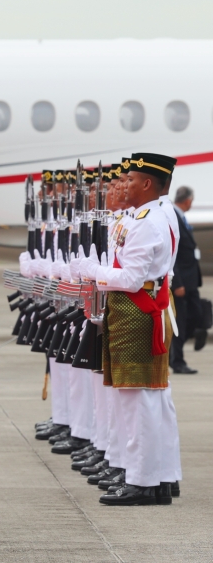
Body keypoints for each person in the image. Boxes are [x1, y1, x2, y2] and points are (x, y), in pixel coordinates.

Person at [79, 153, 181, 506]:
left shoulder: (147, 221)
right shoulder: (144, 217)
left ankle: (141, 481)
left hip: (136, 312)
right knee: (146, 401)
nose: (126, 185)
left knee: (136, 402)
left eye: (132, 180)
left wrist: (93, 270)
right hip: (136, 311)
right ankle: (159, 477)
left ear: (148, 184)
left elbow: (133, 278)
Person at [169, 186, 204, 374]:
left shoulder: (180, 216)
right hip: (182, 282)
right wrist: (177, 283)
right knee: (180, 323)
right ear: (188, 200)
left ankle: (174, 355)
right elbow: (172, 254)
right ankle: (177, 360)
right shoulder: (174, 217)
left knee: (196, 315)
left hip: (191, 280)